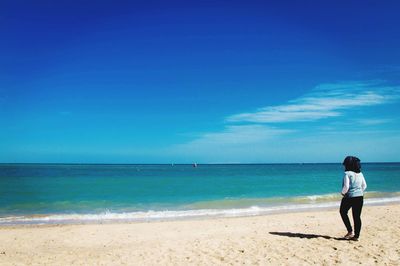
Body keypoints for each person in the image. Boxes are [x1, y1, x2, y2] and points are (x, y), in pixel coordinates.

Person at [339, 156, 367, 241]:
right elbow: (364, 186)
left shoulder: (347, 174)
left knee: (343, 212)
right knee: (357, 216)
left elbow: (346, 186)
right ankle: (356, 236)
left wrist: (342, 193)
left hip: (349, 197)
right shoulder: (360, 174)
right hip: (360, 197)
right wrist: (359, 192)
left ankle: (350, 231)